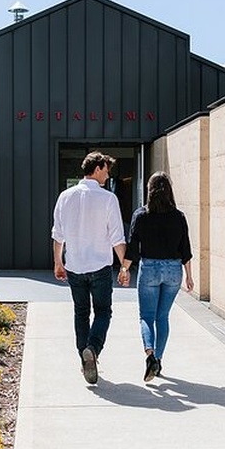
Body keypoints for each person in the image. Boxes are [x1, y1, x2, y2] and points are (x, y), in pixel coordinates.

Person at [51, 151, 127, 385]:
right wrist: (124, 266)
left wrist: (58, 262)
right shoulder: (108, 198)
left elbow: (58, 234)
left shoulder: (65, 196)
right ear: (97, 167)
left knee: (81, 313)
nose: (108, 173)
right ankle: (92, 349)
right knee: (103, 311)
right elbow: (117, 236)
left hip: (75, 266)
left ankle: (84, 358)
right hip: (100, 267)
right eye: (106, 169)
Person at [118, 171, 193, 382]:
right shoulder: (179, 216)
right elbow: (185, 249)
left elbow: (132, 248)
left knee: (146, 317)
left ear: (149, 190)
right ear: (169, 191)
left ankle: (150, 355)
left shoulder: (141, 215)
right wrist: (189, 277)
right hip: (173, 270)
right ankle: (158, 360)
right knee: (163, 317)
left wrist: (124, 270)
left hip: (149, 268)